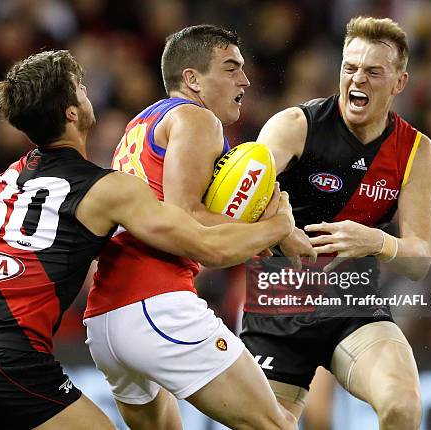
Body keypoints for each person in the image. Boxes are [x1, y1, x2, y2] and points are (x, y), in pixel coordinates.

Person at [0, 49, 298, 430]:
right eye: (80, 89)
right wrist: (278, 225)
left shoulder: (8, 179)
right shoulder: (107, 189)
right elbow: (207, 245)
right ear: (71, 112)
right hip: (7, 358)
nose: (87, 93)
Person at [83, 25, 313, 430]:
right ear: (192, 79)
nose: (244, 79)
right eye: (230, 68)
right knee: (278, 425)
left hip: (106, 319)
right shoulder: (197, 119)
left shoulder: (139, 125)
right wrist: (278, 226)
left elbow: (185, 213)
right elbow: (187, 220)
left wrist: (269, 233)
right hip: (158, 304)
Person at [241, 16, 431, 429]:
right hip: (279, 306)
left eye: (372, 72)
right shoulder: (294, 126)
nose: (357, 80)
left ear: (399, 82)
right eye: (349, 68)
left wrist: (377, 243)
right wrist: (282, 228)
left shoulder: (416, 151)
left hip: (353, 304)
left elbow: (419, 259)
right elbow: (242, 198)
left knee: (402, 408)